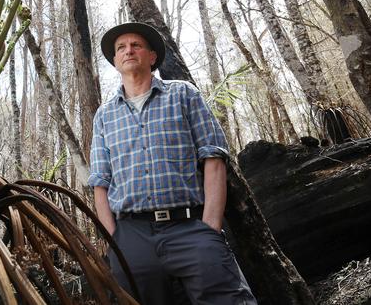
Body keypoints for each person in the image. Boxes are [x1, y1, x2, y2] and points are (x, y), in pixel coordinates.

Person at [89, 22, 257, 305]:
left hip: (190, 226)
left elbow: (214, 156)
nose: (128, 50)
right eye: (121, 48)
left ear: (152, 57)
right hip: (131, 235)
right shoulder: (104, 115)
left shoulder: (183, 94)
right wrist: (114, 240)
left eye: (136, 45)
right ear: (115, 62)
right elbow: (99, 181)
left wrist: (211, 226)